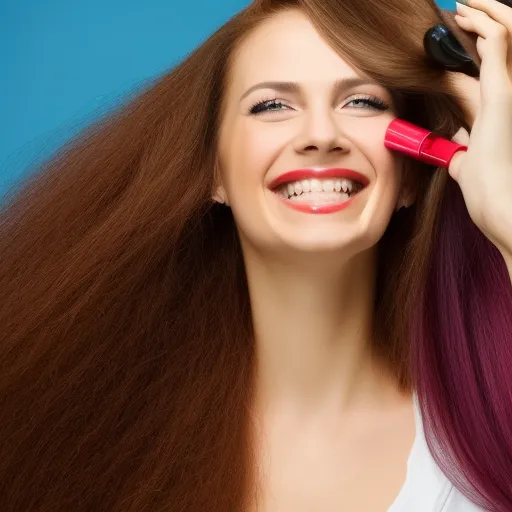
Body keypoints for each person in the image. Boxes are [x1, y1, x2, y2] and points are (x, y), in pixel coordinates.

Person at [0, 0, 511, 510]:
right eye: (271, 106)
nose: (320, 136)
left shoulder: (490, 447)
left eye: (362, 102)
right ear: (212, 172)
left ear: (411, 176)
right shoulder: (93, 446)